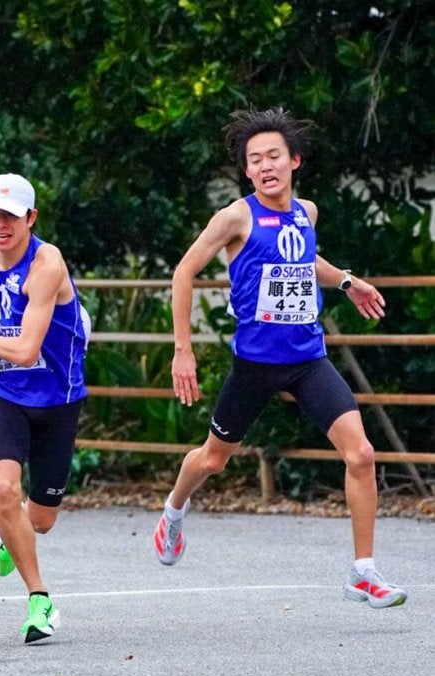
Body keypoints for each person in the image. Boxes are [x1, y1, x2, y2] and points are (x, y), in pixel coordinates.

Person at [158, 107, 406, 608]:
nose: (266, 165)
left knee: (361, 454)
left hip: (307, 358)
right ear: (247, 170)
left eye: (274, 155)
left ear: (294, 161)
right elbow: (184, 273)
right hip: (254, 364)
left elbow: (302, 259)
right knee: (213, 460)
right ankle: (174, 511)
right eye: (255, 159)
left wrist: (346, 281)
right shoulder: (235, 217)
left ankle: (363, 572)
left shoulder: (306, 212)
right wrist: (182, 351)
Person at [0, 173, 90, 643]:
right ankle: (40, 601)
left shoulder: (46, 264)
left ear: (31, 218)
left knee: (41, 519)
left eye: (10, 216)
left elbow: (28, 350)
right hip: (4, 392)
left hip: (56, 396)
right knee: (4, 490)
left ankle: (12, 535)